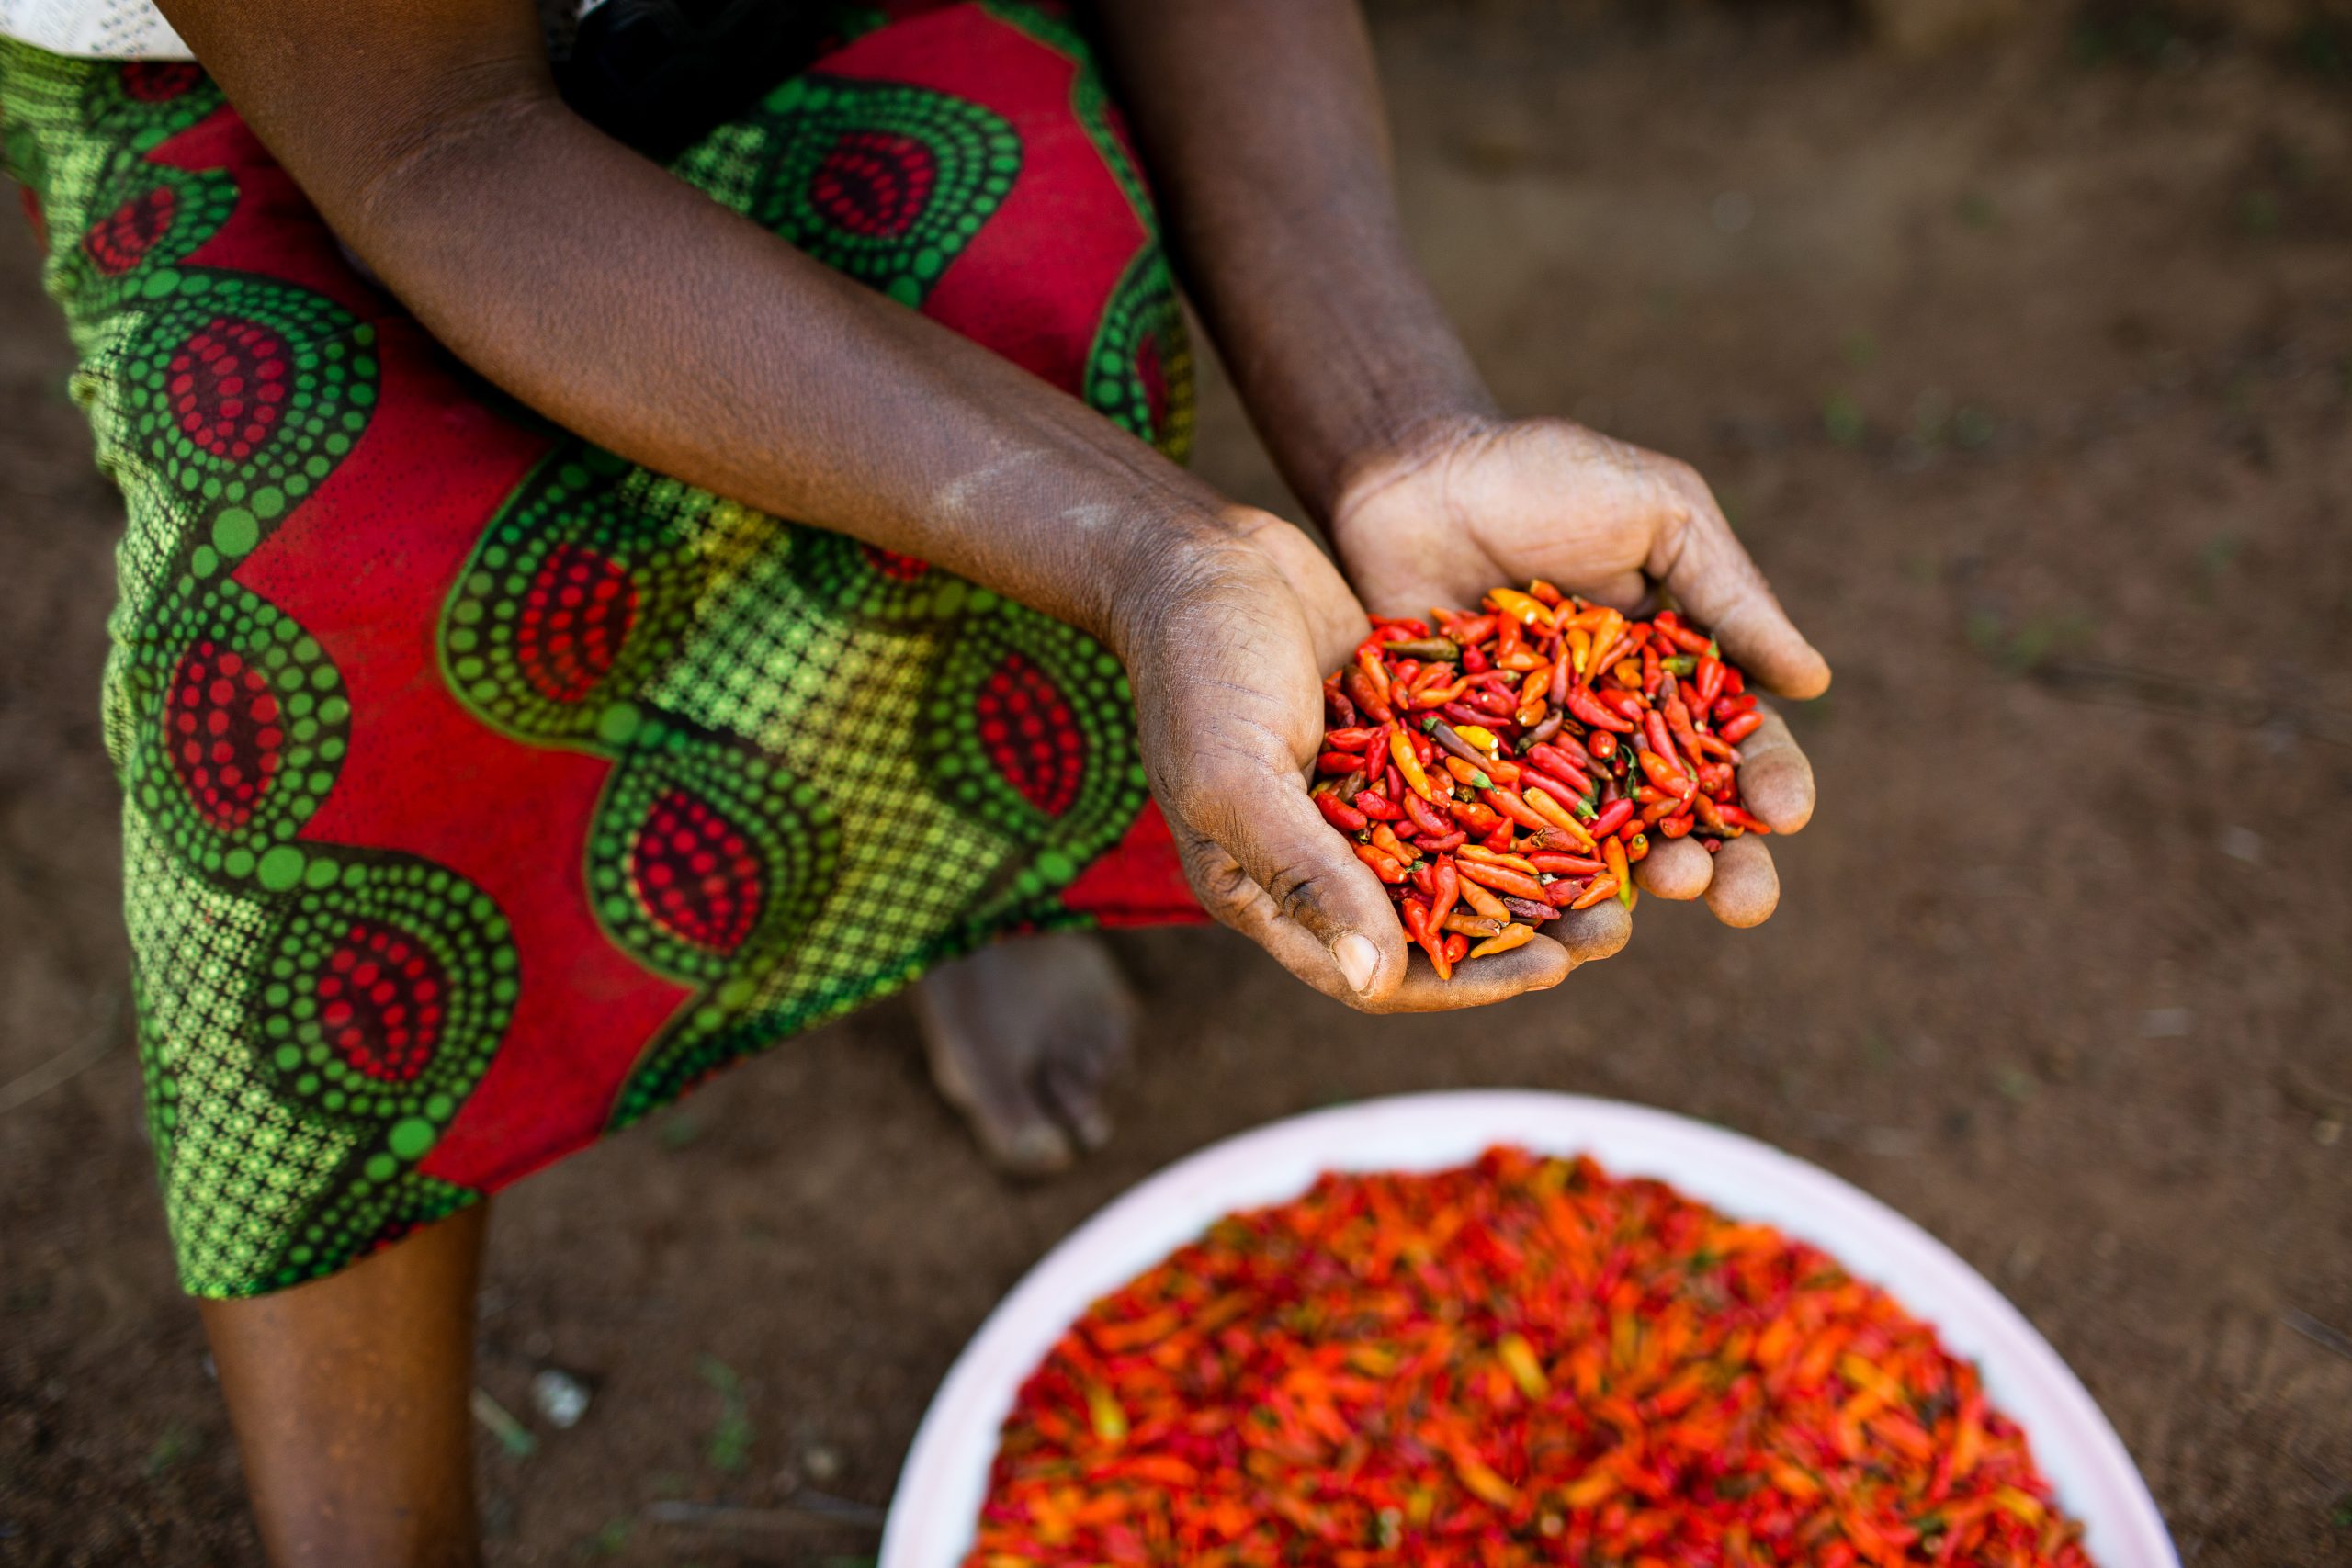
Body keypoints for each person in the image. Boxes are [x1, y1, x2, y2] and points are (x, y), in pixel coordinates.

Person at [0, 1, 1829, 1561]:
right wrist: (1145, 546)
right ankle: (369, 1517)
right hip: (338, 84)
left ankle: (971, 877)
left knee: (1032, 274)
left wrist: (1391, 427)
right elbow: (438, 144)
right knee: (324, 619)